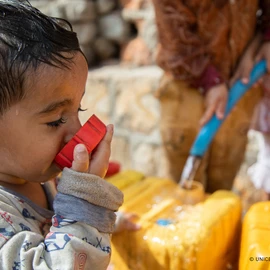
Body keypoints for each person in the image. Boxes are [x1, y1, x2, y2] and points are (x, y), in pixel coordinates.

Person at [0, 0, 124, 269]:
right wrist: (86, 207)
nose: (78, 133)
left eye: (78, 108)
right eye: (56, 120)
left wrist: (105, 221)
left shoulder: (39, 174)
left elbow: (61, 219)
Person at [151, 0, 270, 193]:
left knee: (221, 187)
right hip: (187, 83)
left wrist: (265, 39)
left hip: (238, 81)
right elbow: (171, 22)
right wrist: (210, 81)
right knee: (185, 193)